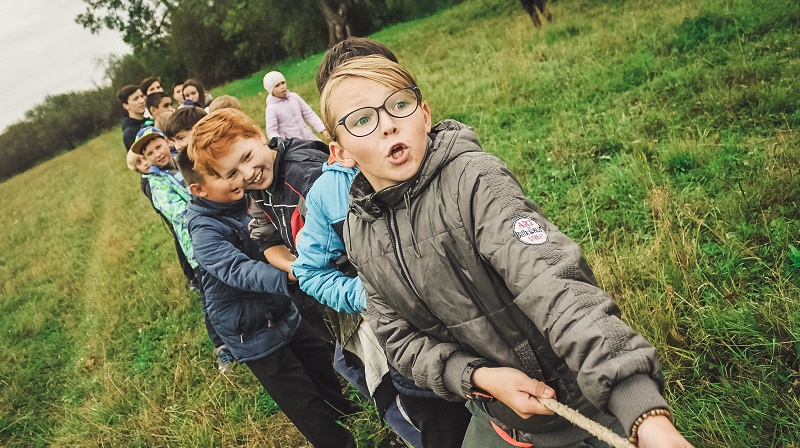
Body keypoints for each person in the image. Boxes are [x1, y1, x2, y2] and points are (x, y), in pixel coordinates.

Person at [321, 55, 695, 448]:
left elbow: (553, 284)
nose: (388, 124)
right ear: (341, 152)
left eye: (399, 104)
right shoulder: (359, 232)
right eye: (362, 120)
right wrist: (477, 377)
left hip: (583, 412)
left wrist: (641, 410)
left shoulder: (475, 181)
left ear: (425, 115)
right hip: (493, 417)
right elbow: (398, 338)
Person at [182, 118, 359, 448]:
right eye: (228, 175)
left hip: (283, 308)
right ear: (202, 188)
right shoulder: (203, 230)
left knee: (320, 360)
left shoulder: (250, 194)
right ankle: (336, 441)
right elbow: (239, 271)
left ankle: (344, 408)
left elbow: (271, 232)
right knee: (299, 397)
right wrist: (294, 273)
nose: (243, 177)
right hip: (250, 330)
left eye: (245, 161)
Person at [188, 108, 335, 348]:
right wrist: (297, 268)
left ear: (258, 135)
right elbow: (268, 240)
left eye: (246, 157)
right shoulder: (258, 188)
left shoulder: (306, 174)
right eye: (232, 173)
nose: (248, 174)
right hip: (322, 290)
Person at [130, 126, 234, 374]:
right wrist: (210, 205)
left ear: (167, 143)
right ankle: (221, 347)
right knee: (212, 297)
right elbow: (178, 213)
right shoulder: (157, 184)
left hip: (223, 231)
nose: (156, 154)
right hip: (198, 246)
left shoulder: (186, 163)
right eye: (149, 153)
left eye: (158, 146)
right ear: (145, 160)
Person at [263, 71, 329, 141]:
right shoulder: (272, 108)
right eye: (277, 85)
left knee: (323, 150)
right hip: (294, 145)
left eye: (283, 83)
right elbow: (271, 131)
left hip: (309, 137)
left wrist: (322, 129)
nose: (282, 87)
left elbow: (309, 114)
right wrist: (282, 143)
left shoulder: (294, 97)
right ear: (271, 90)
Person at [116, 85, 147, 151]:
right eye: (135, 99)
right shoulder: (130, 133)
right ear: (126, 106)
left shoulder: (150, 121)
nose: (141, 101)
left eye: (141, 96)